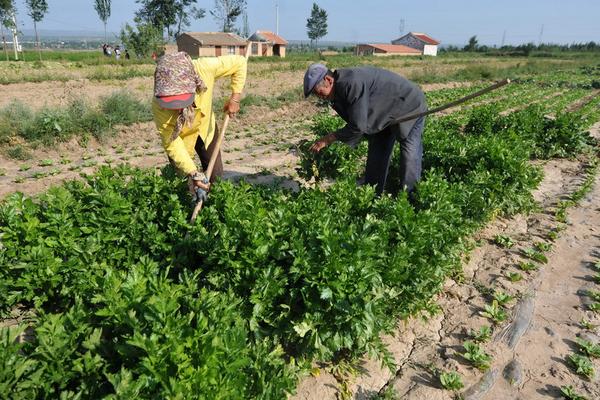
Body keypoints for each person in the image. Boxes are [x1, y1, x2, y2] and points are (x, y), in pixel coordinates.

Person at [305, 63, 427, 195]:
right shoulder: (338, 90)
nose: (319, 97)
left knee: (409, 156)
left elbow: (358, 126)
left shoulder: (351, 83)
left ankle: (411, 201)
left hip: (410, 105)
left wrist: (328, 139)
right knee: (377, 155)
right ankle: (372, 197)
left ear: (329, 80)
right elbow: (358, 121)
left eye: (319, 92)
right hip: (383, 113)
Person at [152, 51, 247, 201]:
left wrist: (235, 99)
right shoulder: (159, 104)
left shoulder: (205, 68)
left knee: (216, 176)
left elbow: (240, 62)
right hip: (180, 137)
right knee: (182, 180)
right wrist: (193, 173)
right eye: (171, 103)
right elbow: (171, 142)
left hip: (205, 128)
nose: (178, 108)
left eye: (181, 101)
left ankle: (213, 206)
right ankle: (188, 207)